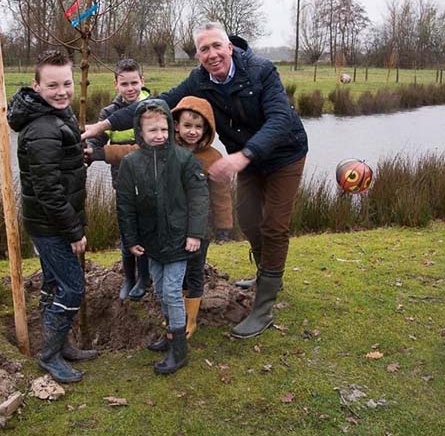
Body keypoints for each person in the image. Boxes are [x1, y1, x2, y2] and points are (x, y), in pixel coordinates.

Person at [82, 22, 308, 340]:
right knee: (250, 221)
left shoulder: (261, 70)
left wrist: (243, 156)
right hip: (246, 158)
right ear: (198, 55)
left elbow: (280, 118)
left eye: (217, 46)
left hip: (284, 154)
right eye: (204, 49)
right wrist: (101, 124)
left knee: (274, 226)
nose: (212, 54)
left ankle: (264, 306)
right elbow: (156, 104)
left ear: (229, 46)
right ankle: (265, 273)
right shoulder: (200, 80)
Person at [7, 50, 97, 384]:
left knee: (55, 283)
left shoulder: (54, 115)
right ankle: (50, 356)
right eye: (53, 85)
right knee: (72, 287)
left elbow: (55, 170)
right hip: (51, 225)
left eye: (67, 83)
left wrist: (78, 156)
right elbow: (48, 191)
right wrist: (74, 232)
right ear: (37, 85)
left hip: (50, 221)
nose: (62, 91)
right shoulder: (43, 126)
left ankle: (62, 345)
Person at [116, 99, 209, 374]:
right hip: (150, 241)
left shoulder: (184, 159)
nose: (159, 135)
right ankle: (171, 333)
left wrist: (195, 233)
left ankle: (179, 351)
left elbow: (199, 197)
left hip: (180, 240)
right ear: (140, 132)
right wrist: (131, 239)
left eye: (164, 129)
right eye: (152, 130)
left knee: (171, 291)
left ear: (170, 127)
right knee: (158, 289)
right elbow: (124, 204)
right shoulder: (131, 163)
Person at [86, 58, 151, 301]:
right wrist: (88, 151)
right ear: (116, 84)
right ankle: (129, 277)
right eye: (125, 83)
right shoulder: (108, 114)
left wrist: (101, 153)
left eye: (134, 82)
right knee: (127, 231)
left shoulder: (154, 107)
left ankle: (145, 278)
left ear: (142, 81)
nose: (130, 88)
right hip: (122, 182)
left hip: (150, 182)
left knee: (145, 230)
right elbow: (96, 142)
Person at [171, 96, 233, 339]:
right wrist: (102, 152)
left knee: (195, 270)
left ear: (207, 129)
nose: (193, 132)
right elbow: (134, 152)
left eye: (199, 127)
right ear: (176, 125)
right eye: (188, 126)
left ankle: (191, 319)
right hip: (173, 225)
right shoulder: (166, 149)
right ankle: (176, 312)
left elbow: (221, 194)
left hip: (200, 228)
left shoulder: (213, 157)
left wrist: (224, 225)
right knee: (176, 271)